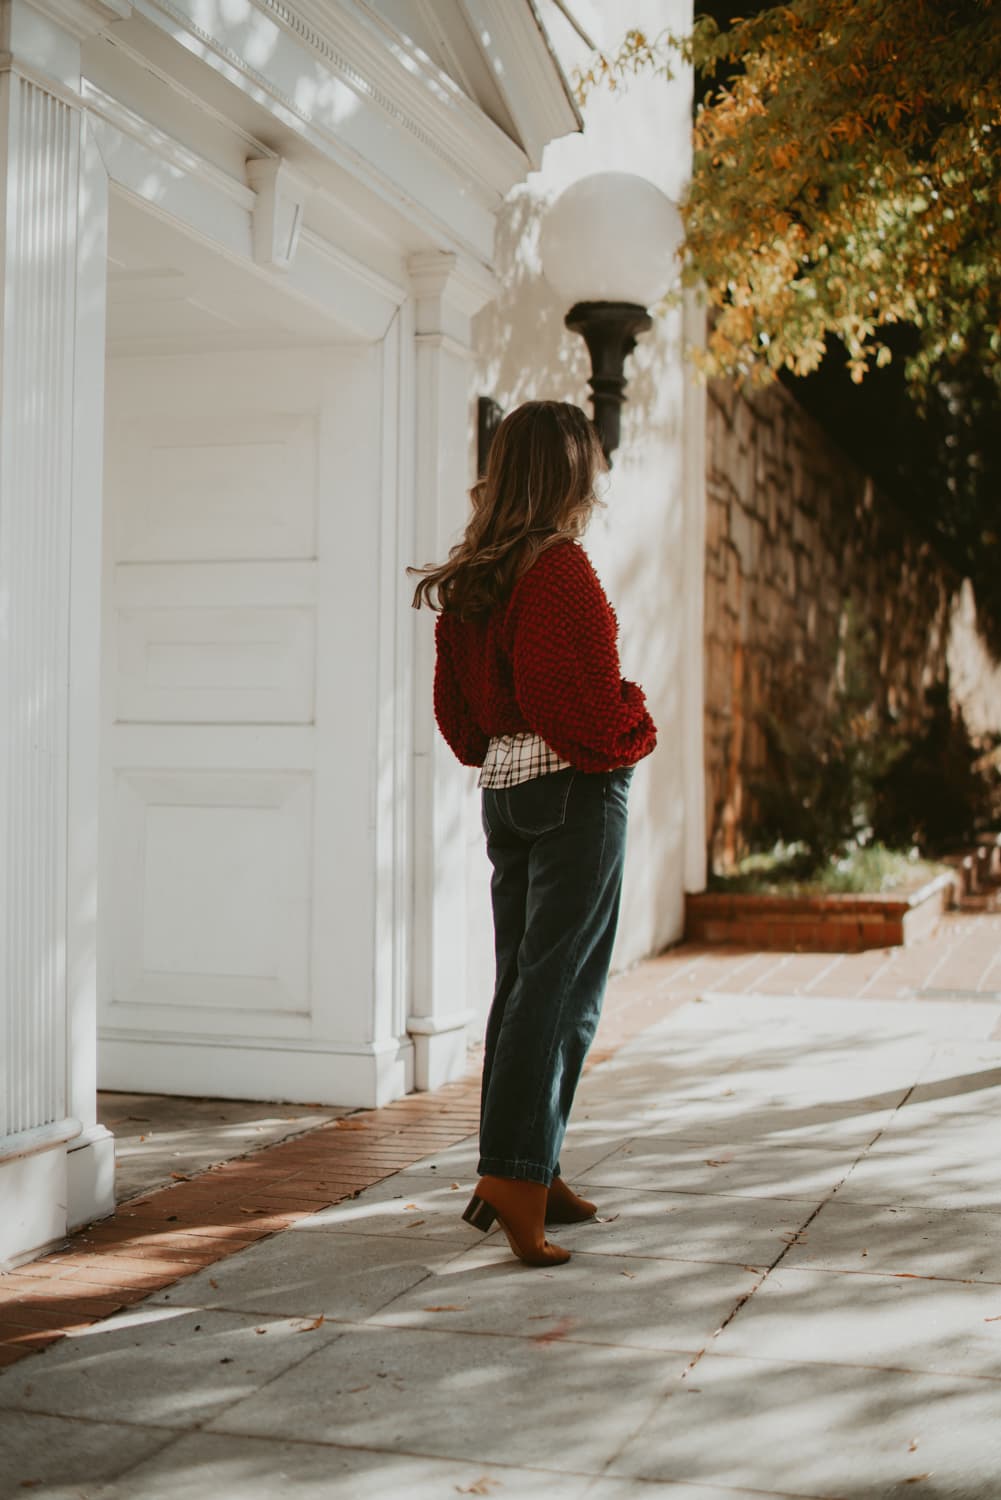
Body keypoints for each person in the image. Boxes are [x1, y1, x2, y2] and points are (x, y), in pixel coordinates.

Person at [410, 400, 657, 1268]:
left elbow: (458, 714)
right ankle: (515, 1177)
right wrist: (632, 723)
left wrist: (505, 744)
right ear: (570, 470)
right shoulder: (558, 572)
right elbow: (579, 706)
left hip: (506, 793)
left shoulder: (478, 575)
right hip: (573, 794)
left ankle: (531, 1164)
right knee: (562, 990)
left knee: (525, 982)